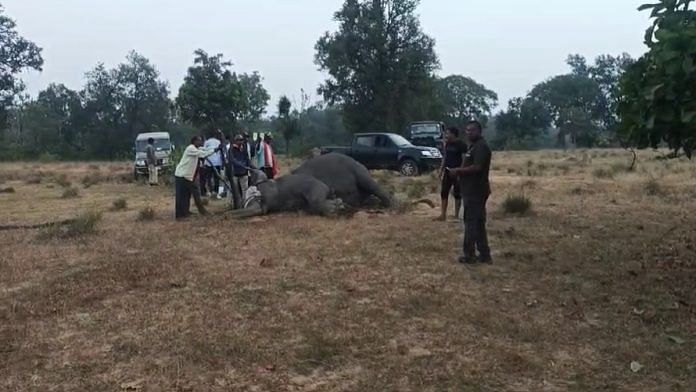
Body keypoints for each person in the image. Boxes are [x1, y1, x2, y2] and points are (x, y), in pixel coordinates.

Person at [449, 120, 493, 264]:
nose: (469, 133)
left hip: (476, 190)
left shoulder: (481, 147)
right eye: (467, 130)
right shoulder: (473, 146)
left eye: (472, 130)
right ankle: (484, 254)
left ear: (479, 131)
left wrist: (458, 171)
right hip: (471, 189)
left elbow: (477, 167)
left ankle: (469, 255)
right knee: (479, 223)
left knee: (471, 223)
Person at [174, 135, 220, 220]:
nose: (200, 142)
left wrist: (216, 148)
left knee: (187, 195)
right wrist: (214, 150)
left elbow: (205, 149)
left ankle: (186, 212)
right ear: (194, 141)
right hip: (182, 175)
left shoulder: (196, 148)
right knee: (182, 196)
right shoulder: (191, 148)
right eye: (199, 141)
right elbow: (202, 154)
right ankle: (180, 215)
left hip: (188, 176)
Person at [436, 127, 467, 221]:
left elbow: (464, 159)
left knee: (457, 193)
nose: (446, 135)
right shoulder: (447, 144)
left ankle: (457, 215)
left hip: (457, 172)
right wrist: (441, 170)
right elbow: (445, 157)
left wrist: (460, 171)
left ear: (453, 134)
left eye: (448, 133)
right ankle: (443, 215)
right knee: (444, 192)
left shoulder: (461, 145)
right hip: (447, 171)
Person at [228, 135, 253, 209]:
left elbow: (247, 159)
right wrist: (242, 165)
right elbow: (232, 160)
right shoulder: (231, 149)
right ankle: (231, 204)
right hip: (234, 173)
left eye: (241, 140)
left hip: (244, 172)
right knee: (233, 190)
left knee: (245, 190)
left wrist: (249, 167)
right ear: (235, 141)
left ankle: (244, 204)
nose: (240, 141)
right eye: (239, 140)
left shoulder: (244, 148)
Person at [202, 132, 224, 198]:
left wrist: (203, 162)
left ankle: (211, 191)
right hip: (217, 163)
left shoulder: (206, 142)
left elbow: (204, 151)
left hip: (209, 163)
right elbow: (221, 152)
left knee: (209, 178)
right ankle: (216, 192)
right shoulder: (218, 141)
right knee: (216, 178)